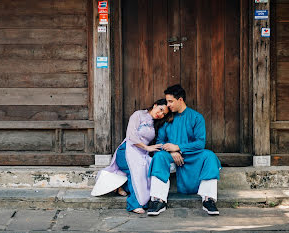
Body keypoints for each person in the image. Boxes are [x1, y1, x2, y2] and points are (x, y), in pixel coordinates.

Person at [147, 84, 222, 216]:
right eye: (167, 101)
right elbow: (160, 142)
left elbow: (200, 143)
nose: (168, 105)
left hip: (192, 156)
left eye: (170, 101)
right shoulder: (167, 118)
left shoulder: (196, 117)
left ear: (180, 100)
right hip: (170, 156)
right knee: (158, 157)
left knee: (209, 156)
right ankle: (158, 200)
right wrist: (172, 151)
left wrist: (179, 147)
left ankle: (208, 199)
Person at [91, 99, 170, 214]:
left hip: (141, 153)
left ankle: (123, 186)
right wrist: (147, 148)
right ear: (155, 105)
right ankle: (134, 204)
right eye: (161, 109)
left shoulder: (155, 123)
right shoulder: (138, 115)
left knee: (148, 169)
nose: (161, 114)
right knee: (137, 171)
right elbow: (131, 136)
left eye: (164, 114)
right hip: (127, 151)